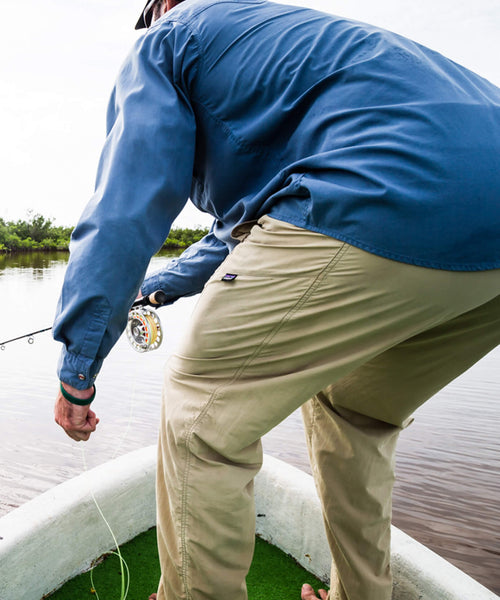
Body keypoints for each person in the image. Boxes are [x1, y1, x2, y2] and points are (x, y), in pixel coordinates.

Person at [50, 1, 500, 599]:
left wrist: (78, 367)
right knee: (354, 414)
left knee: (201, 416)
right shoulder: (304, 46)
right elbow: (250, 219)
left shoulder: (171, 37)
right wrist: (160, 286)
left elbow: (123, 213)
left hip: (377, 198)